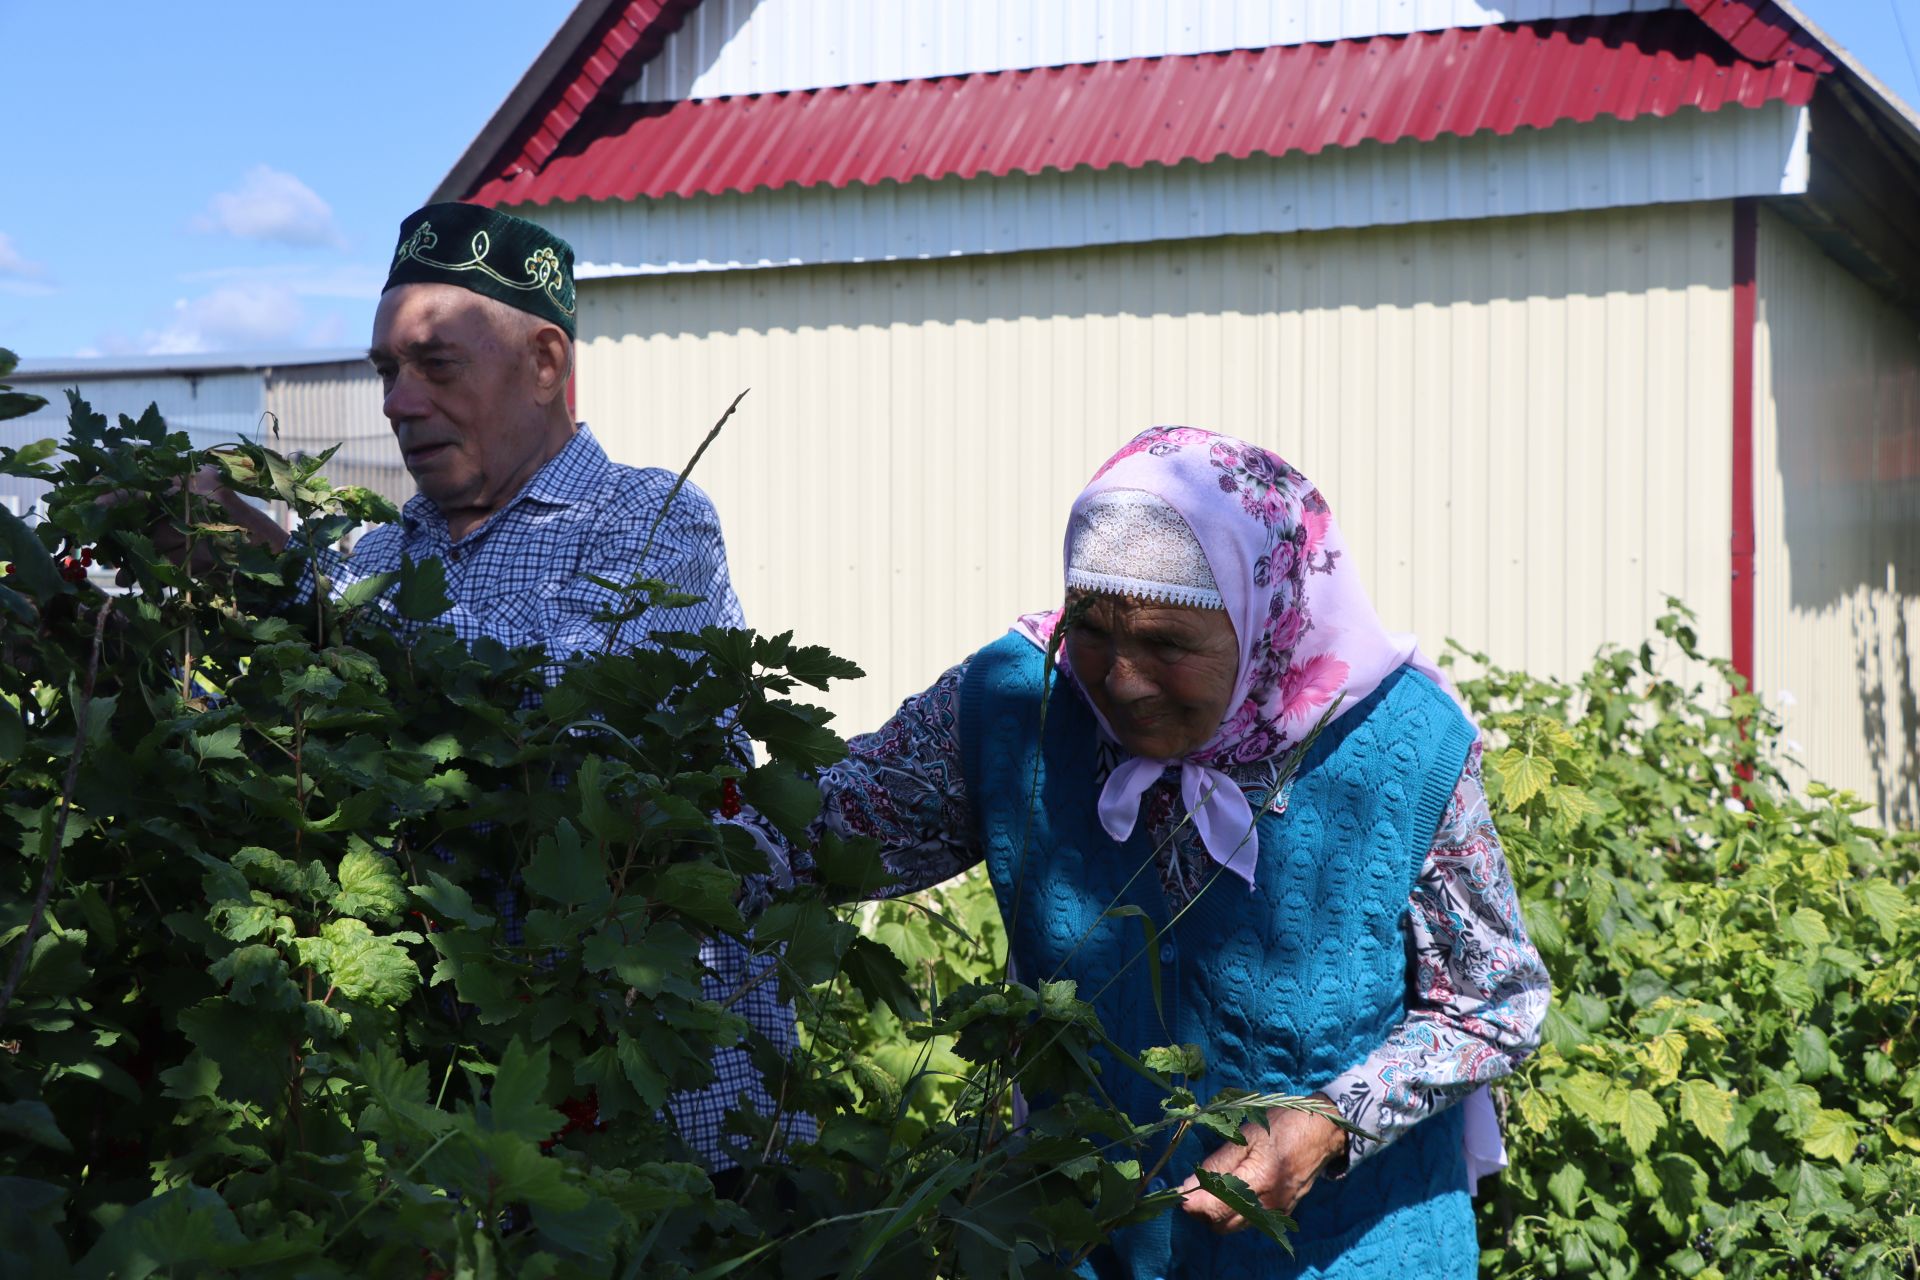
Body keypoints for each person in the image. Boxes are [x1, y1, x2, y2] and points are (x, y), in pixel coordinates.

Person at [160, 201, 807, 1176]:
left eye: (437, 365)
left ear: (545, 361)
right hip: (448, 1137)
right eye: (386, 370)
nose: (397, 401)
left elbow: (571, 723)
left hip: (666, 1142)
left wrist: (285, 574)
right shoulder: (378, 554)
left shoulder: (650, 520)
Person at [810, 426, 1550, 1276]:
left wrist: (1331, 1121)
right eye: (1089, 627)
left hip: (1351, 1250)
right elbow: (814, 837)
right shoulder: (1019, 702)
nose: (1119, 677)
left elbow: (1497, 1001)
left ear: (1268, 622)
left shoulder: (1401, 748)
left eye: (1167, 644)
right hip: (1084, 1245)